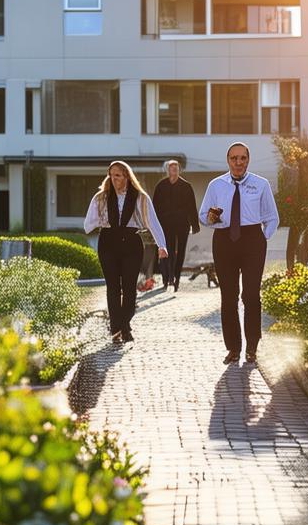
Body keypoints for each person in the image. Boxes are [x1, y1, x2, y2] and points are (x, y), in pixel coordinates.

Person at [199, 142, 279, 365]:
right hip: (224, 240)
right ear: (228, 160)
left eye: (242, 158)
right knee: (229, 296)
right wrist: (211, 218)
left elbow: (272, 217)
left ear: (248, 160)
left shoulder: (260, 184)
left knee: (251, 295)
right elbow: (203, 215)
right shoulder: (216, 185)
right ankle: (233, 348)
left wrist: (263, 237)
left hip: (253, 240)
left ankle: (252, 347)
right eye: (234, 158)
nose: (238, 162)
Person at [84, 160, 169, 344]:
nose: (114, 179)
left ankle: (124, 324)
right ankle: (117, 329)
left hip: (131, 242)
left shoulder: (140, 197)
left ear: (127, 177)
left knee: (129, 287)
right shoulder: (101, 198)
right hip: (108, 241)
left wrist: (162, 245)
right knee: (113, 287)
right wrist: (99, 217)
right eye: (111, 175)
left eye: (118, 175)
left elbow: (153, 222)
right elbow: (87, 225)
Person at [152, 159, 200, 293]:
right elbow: (154, 207)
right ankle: (167, 279)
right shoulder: (161, 186)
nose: (174, 169)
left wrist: (195, 224)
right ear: (167, 170)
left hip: (182, 224)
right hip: (165, 224)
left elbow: (192, 207)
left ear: (179, 170)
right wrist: (153, 225)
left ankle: (176, 280)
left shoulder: (186, 186)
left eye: (176, 167)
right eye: (171, 167)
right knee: (168, 251)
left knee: (180, 252)